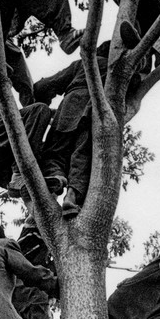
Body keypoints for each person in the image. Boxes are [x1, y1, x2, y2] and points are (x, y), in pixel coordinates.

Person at [34, 43, 112, 218]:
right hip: (95, 113)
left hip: (70, 108)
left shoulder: (81, 64)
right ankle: (71, 197)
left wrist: (39, 96)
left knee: (54, 152)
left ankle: (55, 177)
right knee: (82, 155)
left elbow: (44, 86)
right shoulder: (115, 69)